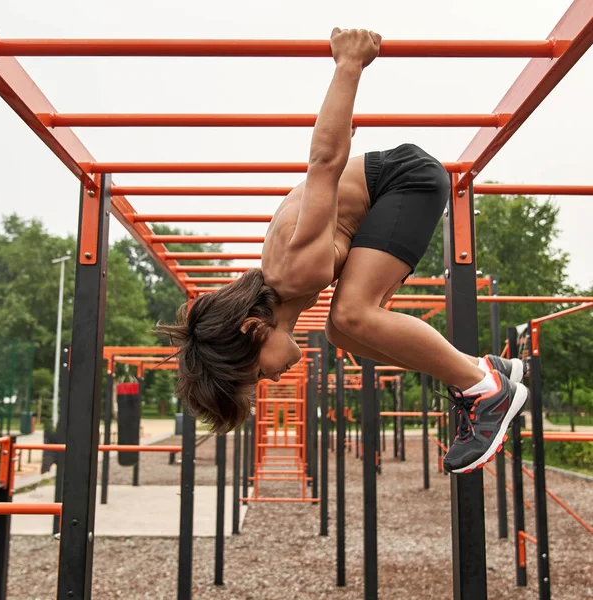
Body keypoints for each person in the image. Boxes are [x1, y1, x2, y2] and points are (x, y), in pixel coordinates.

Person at [158, 28, 528, 474]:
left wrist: (348, 65)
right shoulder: (291, 284)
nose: (271, 380)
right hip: (387, 194)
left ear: (255, 329)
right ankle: (480, 368)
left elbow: (324, 164)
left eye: (256, 375)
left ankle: (485, 390)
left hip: (405, 179)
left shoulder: (296, 270)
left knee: (351, 315)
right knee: (343, 331)